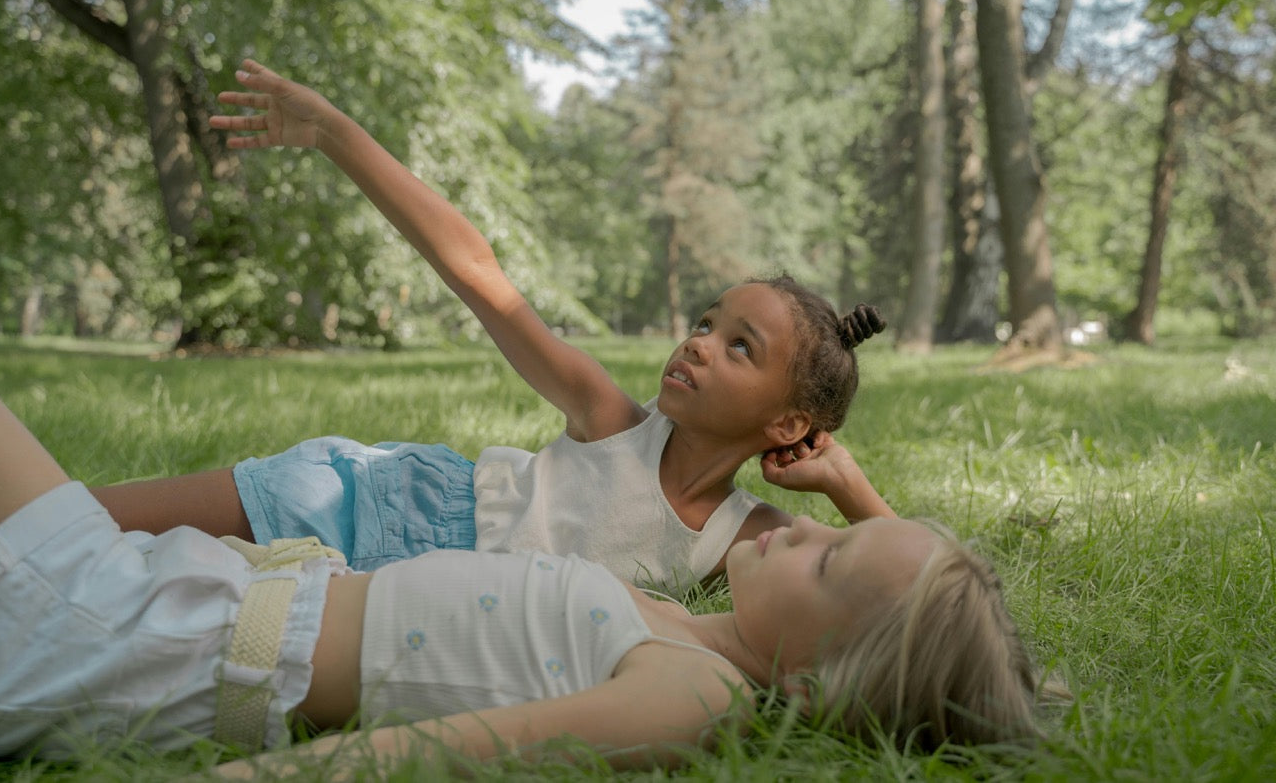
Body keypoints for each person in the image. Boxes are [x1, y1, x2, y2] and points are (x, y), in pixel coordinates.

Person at [93, 59, 893, 594]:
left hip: (402, 614)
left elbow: (920, 581)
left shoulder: (741, 540)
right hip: (374, 504)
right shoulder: (608, 419)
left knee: (120, 590)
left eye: (739, 346)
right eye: (707, 322)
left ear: (789, 421)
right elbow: (478, 272)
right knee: (78, 524)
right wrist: (333, 132)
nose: (697, 341)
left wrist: (846, 486)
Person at [0, 397, 1042, 771]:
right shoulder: (675, 617)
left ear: (817, 685)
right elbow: (904, 604)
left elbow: (446, 752)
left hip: (155, 638)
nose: (798, 533)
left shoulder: (694, 688)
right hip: (193, 592)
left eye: (826, 558)